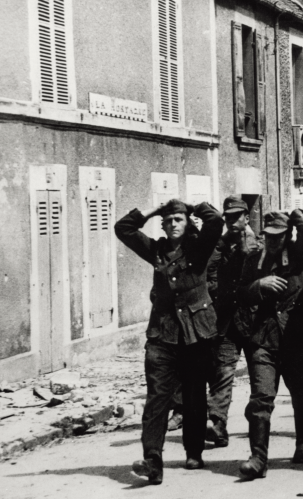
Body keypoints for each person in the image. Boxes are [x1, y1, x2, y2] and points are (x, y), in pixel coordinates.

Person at [115, 199, 224, 484]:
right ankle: (152, 460)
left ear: (187, 223)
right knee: (157, 398)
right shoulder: (157, 250)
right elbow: (123, 228)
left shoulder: (198, 249)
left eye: (178, 219)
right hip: (162, 334)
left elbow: (215, 221)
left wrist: (192, 205)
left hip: (196, 332)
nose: (173, 224)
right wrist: (153, 210)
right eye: (168, 220)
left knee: (194, 394)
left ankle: (194, 450)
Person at [236, 209, 303, 479]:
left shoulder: (298, 254)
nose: (273, 241)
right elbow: (242, 295)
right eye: (269, 235)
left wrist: (292, 216)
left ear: (287, 235)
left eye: (279, 236)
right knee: (260, 399)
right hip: (264, 339)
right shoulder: (252, 260)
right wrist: (260, 284)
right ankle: (258, 458)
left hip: (296, 339)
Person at [204, 197, 262, 447]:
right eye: (227, 217)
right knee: (223, 372)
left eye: (237, 216)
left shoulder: (260, 243)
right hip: (226, 321)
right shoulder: (220, 245)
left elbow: (259, 275)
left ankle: (258, 421)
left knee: (259, 375)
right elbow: (210, 273)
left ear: (247, 217)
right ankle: (217, 424)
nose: (232, 221)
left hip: (254, 321)